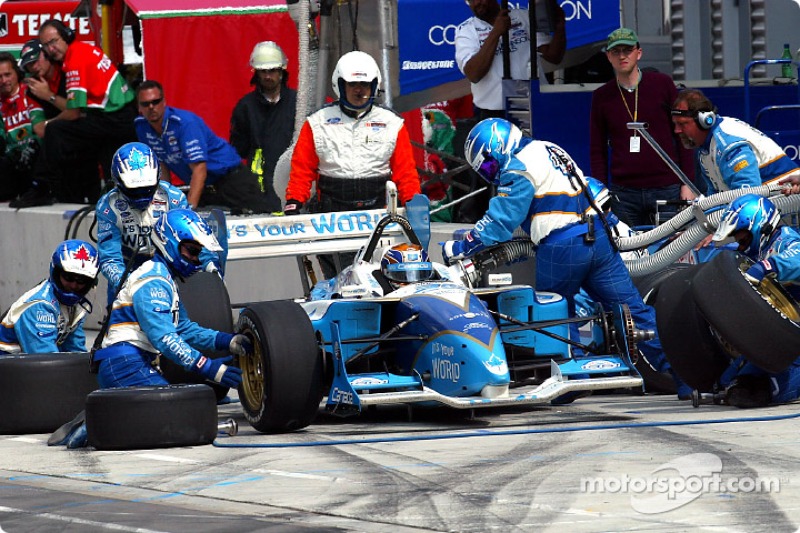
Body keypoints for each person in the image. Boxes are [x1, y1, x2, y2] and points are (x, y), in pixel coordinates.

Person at [441, 118, 690, 402]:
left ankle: (573, 381)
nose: (490, 173)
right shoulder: (548, 147)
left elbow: (500, 223)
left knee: (558, 315)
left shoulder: (518, 165)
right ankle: (685, 377)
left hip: (562, 246)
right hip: (598, 239)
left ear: (498, 147)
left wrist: (462, 245)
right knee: (635, 312)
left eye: (488, 165)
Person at [52, 209, 249, 448]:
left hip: (131, 363)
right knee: (174, 417)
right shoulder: (153, 281)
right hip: (124, 363)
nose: (196, 260)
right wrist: (211, 369)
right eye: (193, 251)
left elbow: (184, 329)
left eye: (199, 253)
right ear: (170, 242)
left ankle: (104, 415)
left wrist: (227, 341)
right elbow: (166, 339)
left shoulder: (164, 279)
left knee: (177, 413)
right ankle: (93, 426)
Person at [284, 50, 421, 276]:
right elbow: (302, 169)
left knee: (381, 276)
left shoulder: (392, 123)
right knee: (339, 278)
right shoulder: (317, 122)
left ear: (374, 86)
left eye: (365, 85)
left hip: (379, 213)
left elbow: (405, 172)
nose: (359, 90)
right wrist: (293, 202)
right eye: (353, 84)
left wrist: (415, 204)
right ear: (340, 85)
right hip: (331, 214)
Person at [589, 28, 696, 227]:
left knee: (671, 250)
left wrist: (687, 183)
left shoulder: (663, 84)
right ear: (608, 57)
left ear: (639, 53)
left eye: (627, 50)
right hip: (624, 193)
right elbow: (598, 150)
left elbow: (683, 135)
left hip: (666, 186)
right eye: (616, 51)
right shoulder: (602, 96)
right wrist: (601, 194)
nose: (622, 56)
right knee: (628, 252)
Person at [28, 19, 137, 206]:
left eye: (54, 41)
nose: (51, 49)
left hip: (116, 118)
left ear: (66, 36)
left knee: (57, 131)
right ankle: (97, 197)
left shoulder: (75, 59)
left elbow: (73, 114)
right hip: (118, 117)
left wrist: (48, 119)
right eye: (46, 45)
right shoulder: (81, 50)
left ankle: (42, 187)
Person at [95, 142, 219, 304]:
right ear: (118, 182)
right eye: (134, 190)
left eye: (146, 188)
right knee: (118, 320)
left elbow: (194, 239)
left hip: (170, 270)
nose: (140, 195)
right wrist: (128, 284)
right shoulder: (108, 206)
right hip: (127, 271)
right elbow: (109, 258)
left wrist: (210, 267)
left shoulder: (173, 198)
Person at [135, 80, 279, 214]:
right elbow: (162, 167)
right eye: (146, 104)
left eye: (156, 102)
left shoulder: (184, 123)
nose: (151, 107)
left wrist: (189, 210)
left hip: (231, 179)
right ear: (139, 107)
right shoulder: (141, 127)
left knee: (262, 217)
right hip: (206, 188)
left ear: (164, 101)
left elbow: (199, 169)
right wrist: (163, 207)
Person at [710, 194, 800, 407]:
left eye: (743, 240)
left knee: (765, 390)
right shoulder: (755, 251)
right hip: (778, 336)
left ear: (761, 226)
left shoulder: (788, 241)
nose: (741, 246)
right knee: (727, 382)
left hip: (795, 339)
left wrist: (767, 267)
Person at [671, 88, 800, 194]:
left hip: (789, 203)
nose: (677, 130)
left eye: (683, 124)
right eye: (675, 124)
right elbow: (716, 197)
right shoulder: (705, 148)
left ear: (704, 121)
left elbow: (748, 196)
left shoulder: (728, 144)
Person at [454, 0, 566, 120]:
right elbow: (474, 74)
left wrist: (560, 27)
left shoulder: (524, 17)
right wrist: (496, 32)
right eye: (471, 0)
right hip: (496, 114)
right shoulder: (466, 30)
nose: (476, 3)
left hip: (535, 103)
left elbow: (554, 56)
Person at [0, 240, 99, 354]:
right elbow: (45, 359)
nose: (74, 285)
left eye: (81, 280)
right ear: (56, 273)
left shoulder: (78, 307)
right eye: (68, 277)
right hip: (7, 364)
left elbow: (76, 351)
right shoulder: (40, 305)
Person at [230, 41, 297, 205]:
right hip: (259, 189)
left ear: (282, 71)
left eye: (272, 70)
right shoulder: (245, 107)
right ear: (256, 73)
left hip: (291, 181)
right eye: (263, 71)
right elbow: (238, 149)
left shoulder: (298, 102)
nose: (268, 76)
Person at [0, 52, 45, 204]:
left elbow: (41, 127)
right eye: (0, 77)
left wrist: (34, 145)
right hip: (12, 162)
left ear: (16, 73)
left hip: (36, 158)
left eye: (7, 75)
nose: (4, 80)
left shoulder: (30, 92)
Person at [18, 38, 66, 119]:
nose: (34, 67)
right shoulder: (33, 89)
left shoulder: (68, 71)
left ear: (47, 54)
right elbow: (39, 126)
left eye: (35, 60)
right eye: (29, 64)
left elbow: (78, 111)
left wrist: (48, 95)